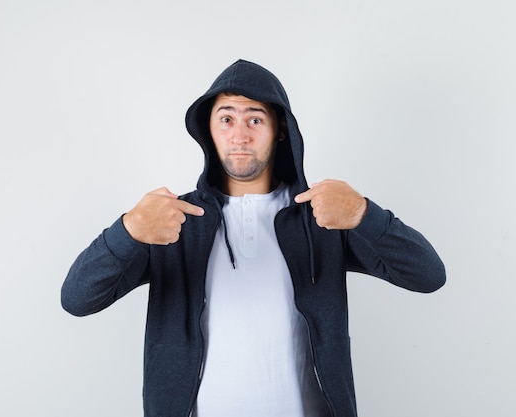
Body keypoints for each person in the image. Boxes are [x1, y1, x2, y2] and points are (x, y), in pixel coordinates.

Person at [61, 59, 446, 417]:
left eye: (255, 120)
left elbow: (428, 275)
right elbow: (76, 299)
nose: (240, 135)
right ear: (208, 132)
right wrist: (127, 231)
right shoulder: (173, 221)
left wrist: (364, 214)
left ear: (280, 131)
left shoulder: (321, 217)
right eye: (226, 119)